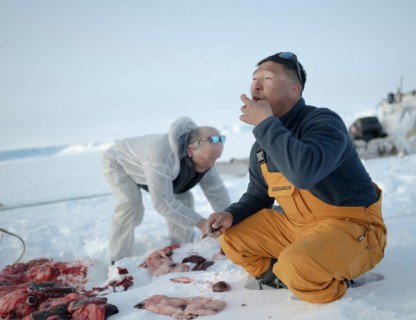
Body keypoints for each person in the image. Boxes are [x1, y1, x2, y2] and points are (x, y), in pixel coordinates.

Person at [206, 52, 387, 303]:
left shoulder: (323, 122)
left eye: (267, 78)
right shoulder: (262, 145)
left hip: (351, 228)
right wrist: (231, 214)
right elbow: (258, 195)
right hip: (298, 228)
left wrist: (265, 124)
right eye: (254, 78)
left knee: (296, 265)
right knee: (232, 236)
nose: (256, 85)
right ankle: (280, 279)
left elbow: (305, 172)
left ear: (293, 90)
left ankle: (330, 286)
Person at [103, 116, 231, 262]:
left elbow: (217, 193)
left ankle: (180, 247)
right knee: (131, 204)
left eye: (217, 158)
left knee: (183, 197)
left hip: (160, 171)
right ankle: (118, 258)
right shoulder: (160, 155)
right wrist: (201, 223)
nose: (213, 165)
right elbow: (163, 203)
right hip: (120, 163)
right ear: (190, 149)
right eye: (209, 159)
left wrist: (228, 219)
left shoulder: (207, 157)